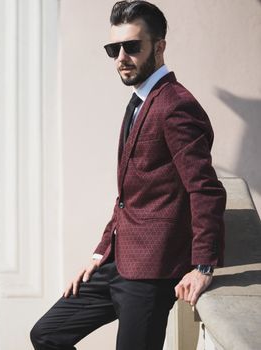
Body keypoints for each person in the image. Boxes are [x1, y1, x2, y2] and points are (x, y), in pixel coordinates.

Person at [30, 1, 226, 349]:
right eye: (114, 48)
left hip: (152, 275)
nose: (121, 57)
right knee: (47, 334)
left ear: (159, 46)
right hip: (117, 262)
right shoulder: (139, 101)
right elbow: (129, 196)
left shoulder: (175, 105)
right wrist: (98, 255)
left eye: (132, 46)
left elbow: (205, 189)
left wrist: (203, 267)